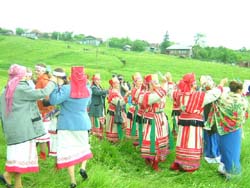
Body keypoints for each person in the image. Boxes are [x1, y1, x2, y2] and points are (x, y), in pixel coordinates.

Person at [0, 64, 56, 188]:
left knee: (17, 158)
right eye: (24, 73)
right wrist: (52, 82)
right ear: (19, 76)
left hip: (12, 130)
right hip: (23, 130)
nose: (26, 75)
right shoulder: (20, 88)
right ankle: (7, 176)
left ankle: (17, 184)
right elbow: (42, 93)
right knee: (21, 157)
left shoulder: (6, 89)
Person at [169, 73, 227, 172]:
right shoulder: (198, 96)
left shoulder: (179, 95)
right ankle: (190, 166)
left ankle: (179, 162)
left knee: (182, 142)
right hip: (194, 124)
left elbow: (170, 92)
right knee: (192, 142)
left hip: (183, 122)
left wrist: (169, 81)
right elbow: (214, 94)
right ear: (192, 84)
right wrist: (221, 85)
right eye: (195, 82)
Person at [49, 66, 93, 188]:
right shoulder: (88, 90)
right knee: (84, 147)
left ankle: (73, 181)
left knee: (69, 151)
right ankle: (83, 168)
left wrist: (55, 86)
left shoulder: (67, 89)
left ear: (71, 76)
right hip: (83, 123)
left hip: (67, 124)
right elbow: (88, 103)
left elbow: (53, 100)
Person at [205, 80, 249, 179]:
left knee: (224, 149)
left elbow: (214, 103)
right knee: (233, 151)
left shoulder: (223, 98)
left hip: (223, 129)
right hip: (235, 130)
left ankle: (224, 168)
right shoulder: (243, 101)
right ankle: (233, 173)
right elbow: (245, 115)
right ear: (239, 90)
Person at [138, 74, 170, 171]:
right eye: (155, 82)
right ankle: (153, 161)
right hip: (152, 119)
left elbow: (165, 92)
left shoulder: (158, 92)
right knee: (153, 140)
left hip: (160, 118)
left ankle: (153, 160)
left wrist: (167, 82)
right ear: (150, 84)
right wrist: (165, 83)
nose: (158, 84)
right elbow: (158, 96)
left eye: (158, 82)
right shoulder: (146, 95)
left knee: (160, 139)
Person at [34, 63, 55, 160]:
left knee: (42, 134)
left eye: (38, 70)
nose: (36, 72)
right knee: (44, 134)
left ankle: (43, 154)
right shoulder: (46, 80)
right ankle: (43, 154)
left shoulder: (42, 81)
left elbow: (45, 97)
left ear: (43, 71)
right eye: (35, 70)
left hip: (44, 111)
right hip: (47, 111)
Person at [199, 75, 221, 164]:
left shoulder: (211, 93)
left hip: (212, 115)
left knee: (212, 134)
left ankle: (213, 153)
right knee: (209, 134)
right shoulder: (207, 93)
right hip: (208, 115)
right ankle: (211, 155)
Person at [106, 76, 129, 143]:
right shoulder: (113, 92)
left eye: (118, 83)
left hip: (118, 112)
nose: (118, 84)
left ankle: (117, 142)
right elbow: (119, 103)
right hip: (114, 114)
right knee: (114, 128)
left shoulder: (116, 91)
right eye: (117, 83)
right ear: (114, 84)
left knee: (117, 128)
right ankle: (113, 143)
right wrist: (126, 95)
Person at [88, 73, 108, 139]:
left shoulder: (99, 87)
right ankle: (94, 137)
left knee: (99, 122)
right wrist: (107, 91)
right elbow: (98, 93)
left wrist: (104, 93)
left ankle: (99, 136)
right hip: (95, 109)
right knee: (95, 122)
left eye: (99, 79)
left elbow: (102, 94)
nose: (98, 81)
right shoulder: (93, 87)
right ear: (93, 80)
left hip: (99, 108)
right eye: (96, 79)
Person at [126, 72, 143, 146]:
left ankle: (137, 141)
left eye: (141, 81)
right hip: (135, 109)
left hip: (137, 109)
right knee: (135, 125)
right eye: (139, 81)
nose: (141, 83)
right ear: (135, 82)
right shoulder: (136, 90)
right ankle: (135, 142)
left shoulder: (136, 89)